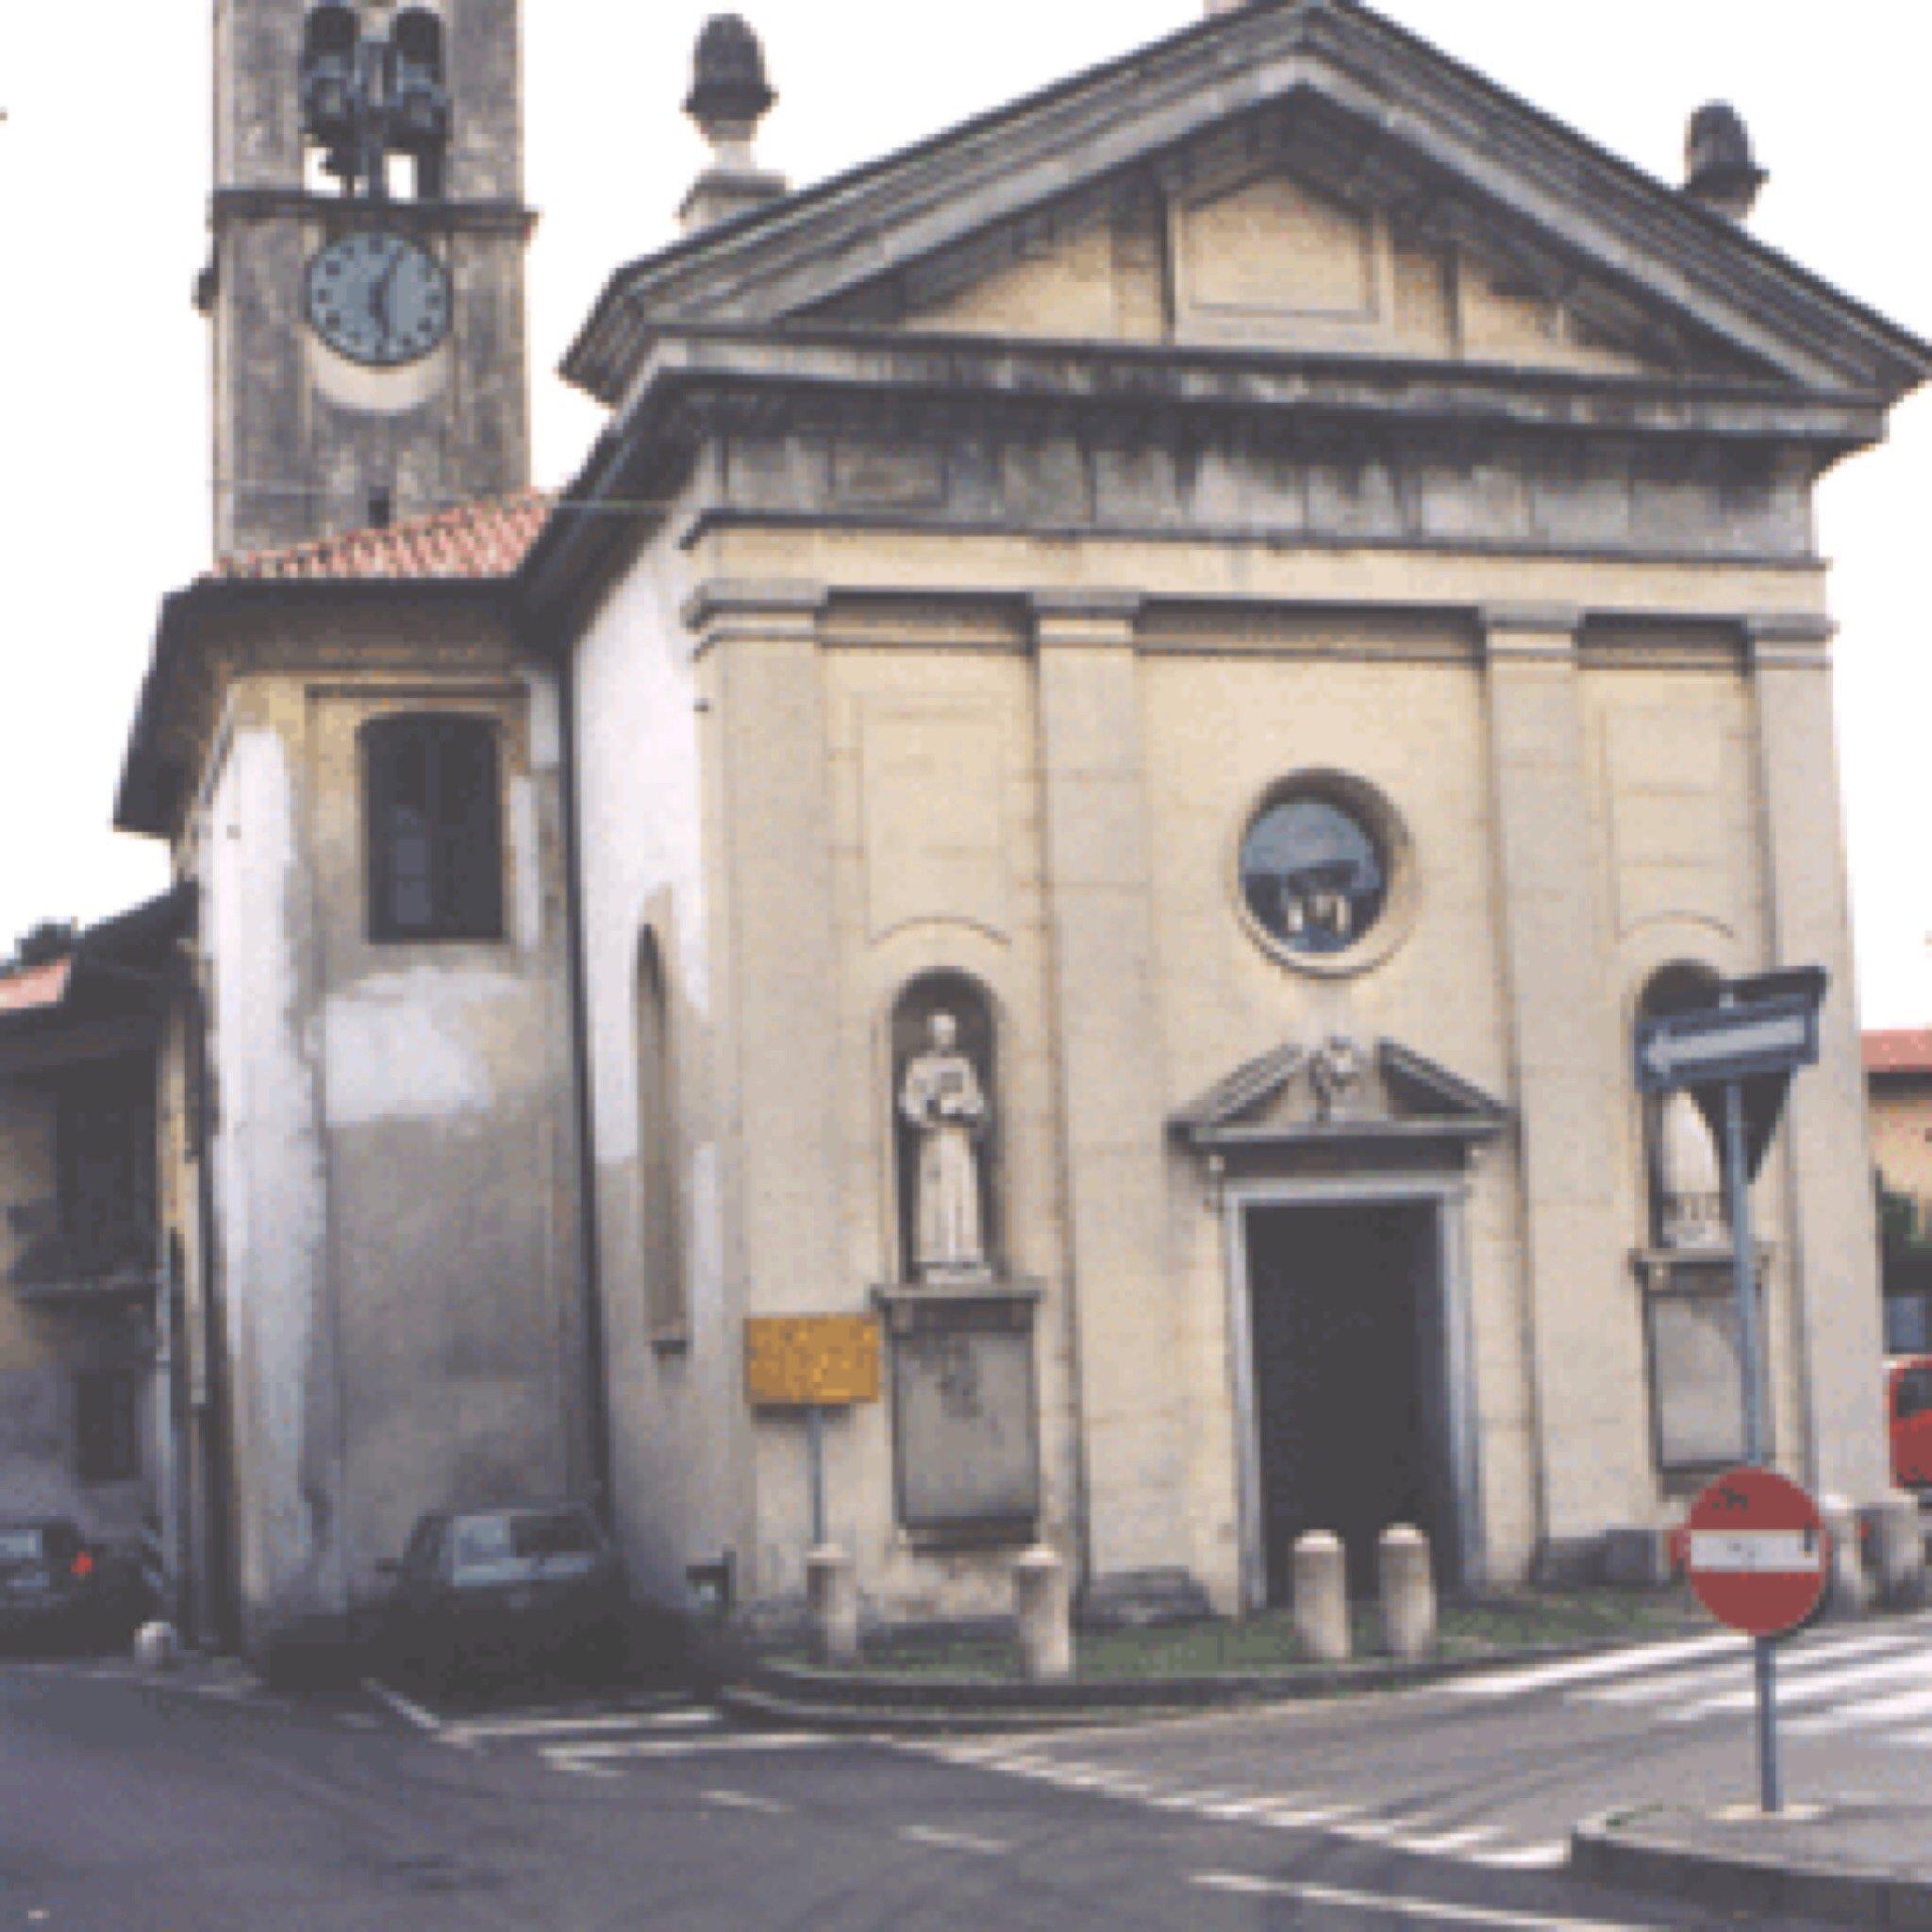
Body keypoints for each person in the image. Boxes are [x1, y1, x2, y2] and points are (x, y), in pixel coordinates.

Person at [900, 1012, 990, 1278]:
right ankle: (937, 1256)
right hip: (935, 1138)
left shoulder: (962, 1065)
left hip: (958, 1137)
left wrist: (963, 1108)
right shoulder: (919, 1066)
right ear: (931, 1035)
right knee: (937, 1195)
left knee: (962, 1192)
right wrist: (928, 1111)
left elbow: (975, 1099)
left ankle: (966, 1254)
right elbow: (909, 1101)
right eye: (940, 1033)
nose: (945, 1039)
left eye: (949, 1034)